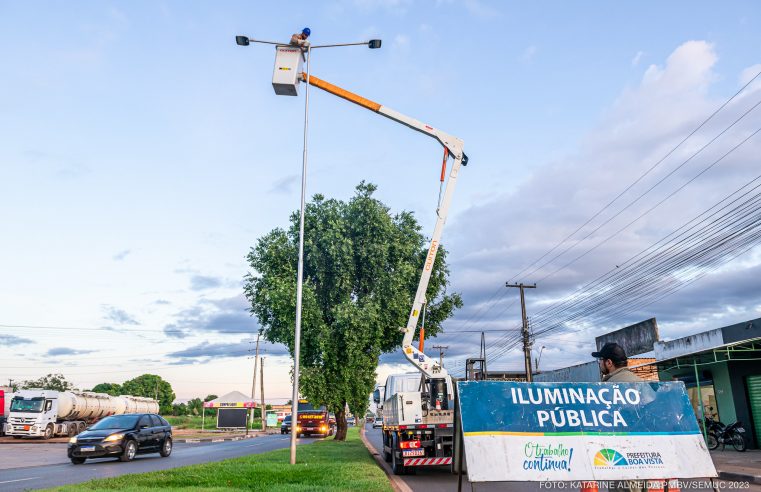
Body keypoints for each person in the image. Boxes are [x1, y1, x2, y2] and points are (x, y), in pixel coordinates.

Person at [592, 342, 643, 492]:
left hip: (619, 453)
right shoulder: (641, 383)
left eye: (600, 360)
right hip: (646, 454)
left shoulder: (607, 387)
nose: (599, 363)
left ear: (609, 363)